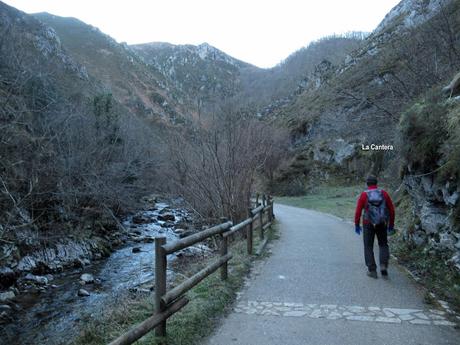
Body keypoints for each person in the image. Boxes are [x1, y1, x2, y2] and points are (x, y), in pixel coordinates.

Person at [354, 175, 395, 278]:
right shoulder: (384, 193)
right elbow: (392, 210)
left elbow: (358, 211)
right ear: (376, 183)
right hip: (382, 223)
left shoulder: (364, 195)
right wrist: (391, 225)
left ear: (367, 184)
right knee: (383, 244)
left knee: (368, 246)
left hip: (368, 223)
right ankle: (383, 266)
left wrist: (357, 225)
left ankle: (372, 271)